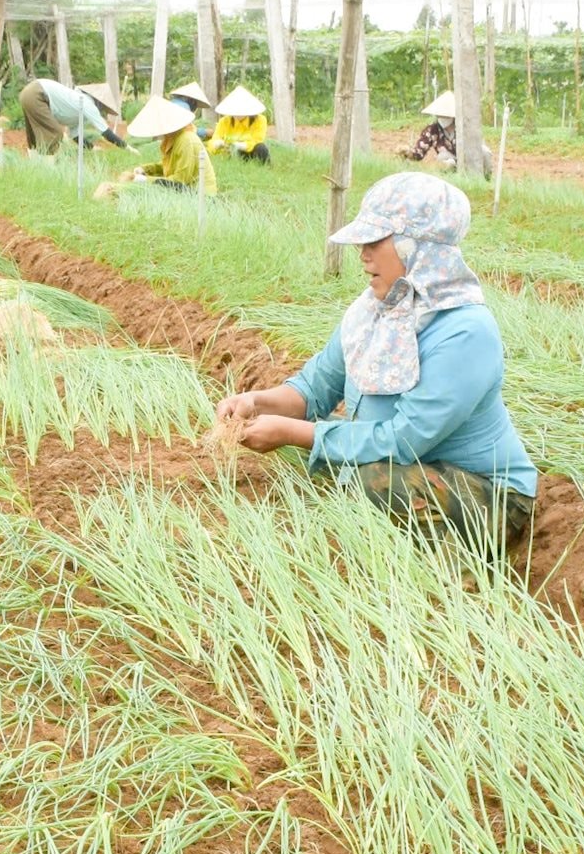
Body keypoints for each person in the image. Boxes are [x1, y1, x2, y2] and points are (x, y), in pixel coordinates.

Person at [214, 172, 537, 553]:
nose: (362, 253)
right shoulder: (373, 311)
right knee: (329, 447)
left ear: (416, 247)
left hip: (485, 494)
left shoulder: (466, 333)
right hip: (407, 466)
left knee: (371, 476)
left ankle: (450, 571)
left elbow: (403, 440)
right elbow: (313, 389)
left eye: (375, 241)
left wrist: (290, 433)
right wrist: (256, 403)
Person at [123, 97, 217, 194]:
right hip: (187, 191)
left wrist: (146, 180)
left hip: (201, 196)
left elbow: (180, 181)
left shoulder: (186, 140)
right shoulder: (173, 138)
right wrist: (145, 169)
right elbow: (168, 166)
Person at [16, 77, 127, 155]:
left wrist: (91, 148)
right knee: (55, 133)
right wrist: (127, 147)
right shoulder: (87, 103)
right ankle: (47, 169)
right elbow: (106, 132)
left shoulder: (77, 105)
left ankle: (34, 167)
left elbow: (75, 136)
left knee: (34, 136)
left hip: (28, 92)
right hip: (37, 93)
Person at [205, 86, 271, 163]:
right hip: (231, 156)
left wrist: (242, 145)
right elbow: (214, 141)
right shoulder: (224, 122)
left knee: (261, 148)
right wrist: (217, 144)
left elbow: (257, 140)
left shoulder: (260, 120)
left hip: (252, 153)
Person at [402, 91, 458, 166]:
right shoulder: (432, 130)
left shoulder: (462, 129)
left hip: (465, 163)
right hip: (445, 163)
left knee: (443, 157)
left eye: (445, 115)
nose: (441, 117)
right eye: (439, 114)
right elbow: (419, 153)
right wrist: (408, 152)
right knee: (442, 156)